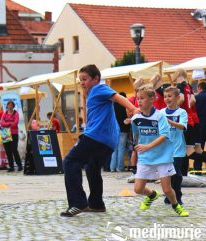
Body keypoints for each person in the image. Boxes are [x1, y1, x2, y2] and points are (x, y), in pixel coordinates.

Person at [60, 64, 138, 217]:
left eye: (85, 79)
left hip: (96, 136)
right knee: (91, 167)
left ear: (96, 79)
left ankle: (78, 203)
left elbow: (117, 97)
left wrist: (132, 108)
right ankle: (96, 204)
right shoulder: (93, 93)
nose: (82, 83)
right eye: (80, 80)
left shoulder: (98, 88)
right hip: (108, 140)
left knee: (69, 162)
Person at [131, 84, 188, 217]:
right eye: (138, 99)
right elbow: (135, 134)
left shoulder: (159, 116)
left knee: (167, 189)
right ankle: (152, 195)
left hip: (163, 156)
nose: (139, 101)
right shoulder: (136, 118)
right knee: (138, 189)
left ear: (152, 99)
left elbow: (164, 135)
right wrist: (137, 146)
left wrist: (147, 146)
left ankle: (176, 205)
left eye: (142, 98)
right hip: (145, 157)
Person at [161, 86, 187, 205]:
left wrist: (170, 122)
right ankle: (169, 196)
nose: (167, 99)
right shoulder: (161, 112)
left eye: (170, 96)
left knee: (176, 175)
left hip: (178, 149)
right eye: (165, 96)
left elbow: (182, 126)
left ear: (177, 98)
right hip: (164, 150)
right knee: (167, 175)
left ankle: (178, 196)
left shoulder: (182, 112)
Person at [0, 100, 23, 172]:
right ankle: (11, 167)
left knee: (14, 150)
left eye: (11, 105)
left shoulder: (16, 113)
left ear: (13, 106)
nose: (10, 106)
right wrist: (10, 123)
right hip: (5, 133)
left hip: (14, 133)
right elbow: (1, 123)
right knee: (8, 151)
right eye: (9, 105)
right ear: (7, 106)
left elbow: (15, 123)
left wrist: (7, 123)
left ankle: (19, 166)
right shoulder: (5, 113)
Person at [110, 92, 130, 172]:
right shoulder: (125, 106)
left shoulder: (113, 106)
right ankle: (119, 167)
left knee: (114, 149)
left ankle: (112, 167)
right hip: (123, 130)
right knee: (121, 149)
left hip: (114, 130)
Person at [194, 81, 206, 173]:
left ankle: (197, 169)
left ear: (199, 88)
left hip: (200, 125)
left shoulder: (196, 98)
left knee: (199, 147)